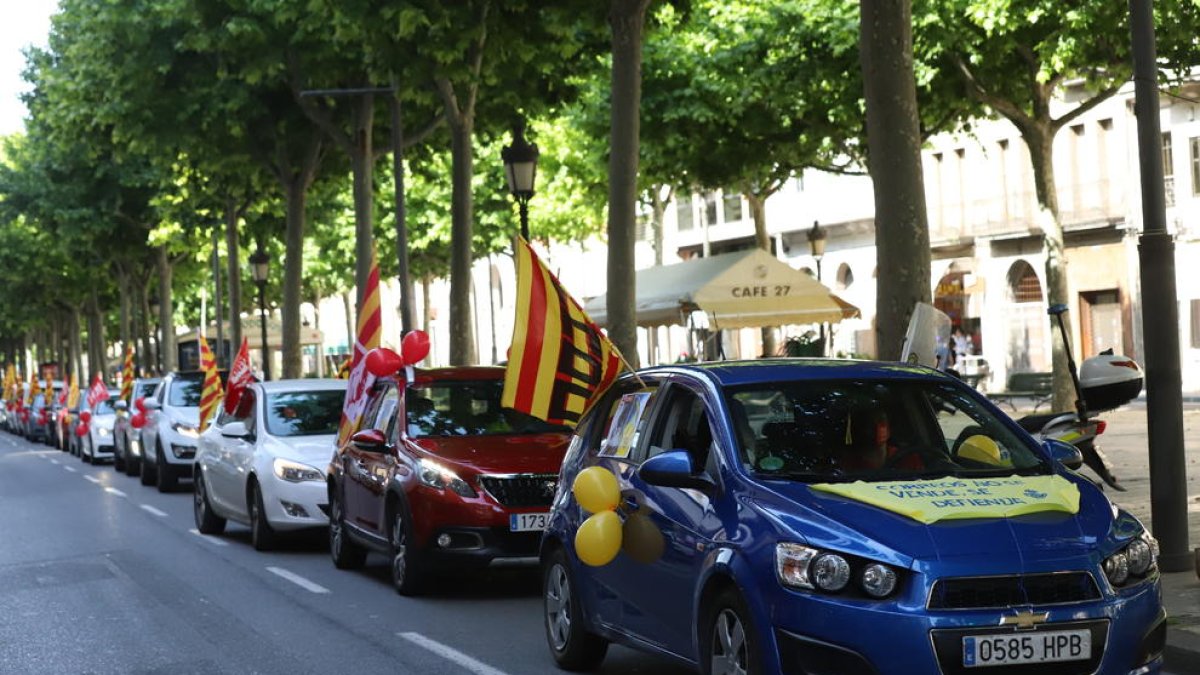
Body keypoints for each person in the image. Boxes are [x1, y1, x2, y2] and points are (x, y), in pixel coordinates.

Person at [834, 408, 922, 472]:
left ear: (889, 426)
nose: (876, 427)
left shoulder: (908, 458)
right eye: (870, 423)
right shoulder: (848, 462)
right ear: (860, 428)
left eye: (881, 421)